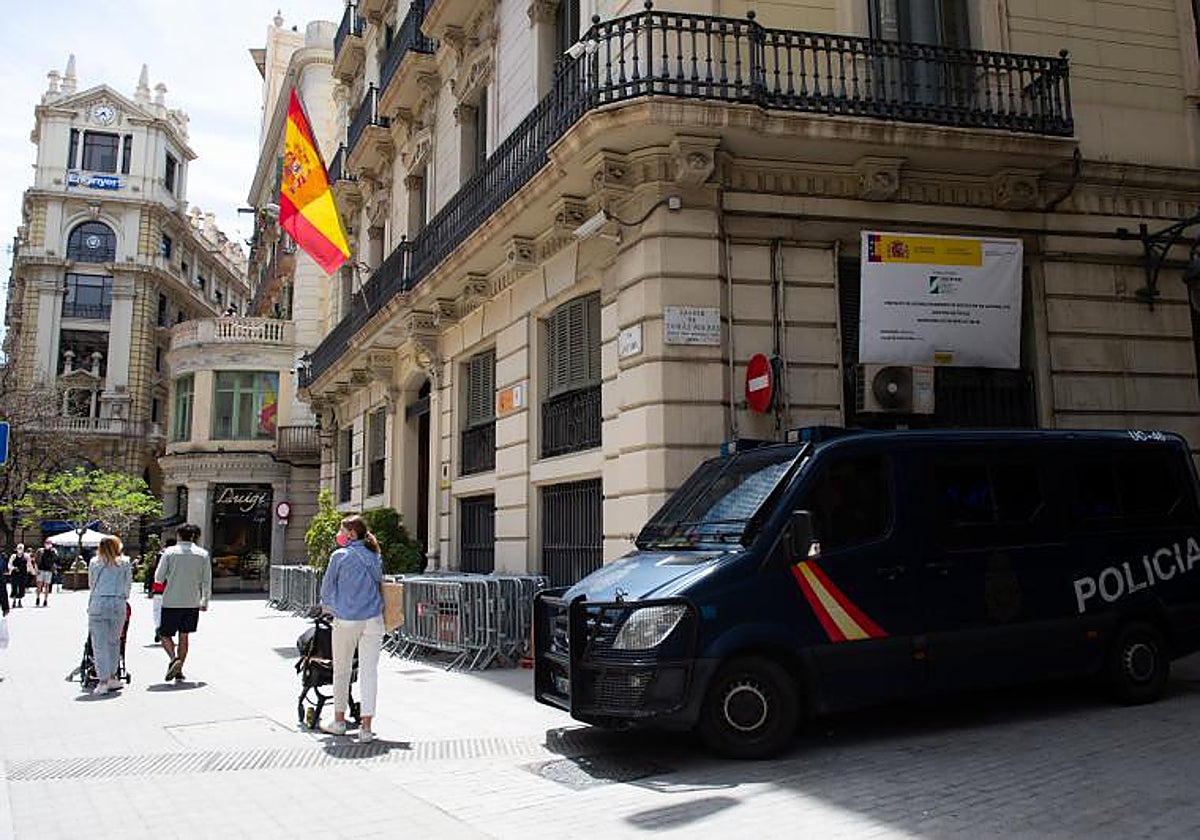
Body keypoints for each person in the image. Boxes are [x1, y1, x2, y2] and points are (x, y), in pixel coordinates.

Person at [319, 515, 384, 743]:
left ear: (351, 534)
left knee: (342, 669)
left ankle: (339, 721)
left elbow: (326, 589)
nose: (340, 534)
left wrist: (328, 608)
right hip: (374, 619)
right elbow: (380, 580)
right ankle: (366, 727)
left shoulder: (339, 556)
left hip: (347, 618)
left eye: (342, 530)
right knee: (369, 672)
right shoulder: (374, 556)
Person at [155, 524, 211, 682]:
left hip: (171, 600)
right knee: (184, 636)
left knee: (164, 633)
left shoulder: (169, 552)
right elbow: (207, 581)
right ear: (193, 536)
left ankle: (173, 659)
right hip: (192, 601)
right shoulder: (202, 554)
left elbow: (158, 578)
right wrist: (205, 599)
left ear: (179, 535)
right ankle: (179, 670)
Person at [87, 535, 132, 696]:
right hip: (118, 603)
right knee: (114, 641)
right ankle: (112, 675)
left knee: (99, 643)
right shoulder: (125, 562)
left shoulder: (94, 562)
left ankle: (103, 680)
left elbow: (91, 584)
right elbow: (128, 585)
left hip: (98, 602)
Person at [34, 540, 58, 607]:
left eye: (49, 544)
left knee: (47, 586)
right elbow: (35, 561)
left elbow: (55, 559)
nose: (48, 545)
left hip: (48, 571)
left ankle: (45, 600)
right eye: (47, 543)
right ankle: (38, 598)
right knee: (39, 585)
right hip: (40, 570)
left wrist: (54, 552)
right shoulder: (40, 551)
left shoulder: (53, 552)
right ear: (44, 544)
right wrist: (36, 569)